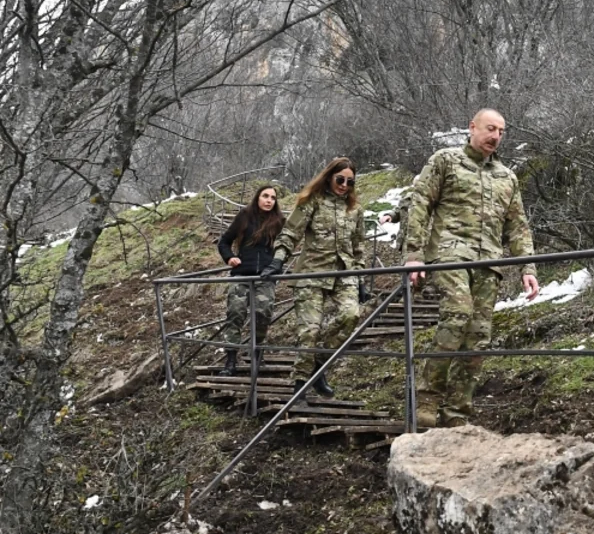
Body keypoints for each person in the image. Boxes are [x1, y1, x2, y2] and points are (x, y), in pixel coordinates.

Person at [381, 108, 540, 428]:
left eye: (501, 132)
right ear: (472, 128)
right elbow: (420, 204)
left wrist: (528, 267)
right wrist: (413, 256)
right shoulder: (445, 161)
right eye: (490, 129)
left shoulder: (506, 177)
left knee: (478, 337)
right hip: (449, 254)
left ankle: (458, 410)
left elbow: (518, 225)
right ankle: (426, 398)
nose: (495, 136)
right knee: (458, 312)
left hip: (489, 262)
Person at [261, 157, 366, 399]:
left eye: (350, 181)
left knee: (351, 315)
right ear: (329, 177)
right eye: (340, 179)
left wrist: (360, 277)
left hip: (344, 273)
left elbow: (358, 245)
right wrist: (278, 260)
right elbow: (290, 233)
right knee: (309, 330)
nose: (344, 185)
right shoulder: (312, 202)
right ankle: (300, 382)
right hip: (312, 272)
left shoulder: (355, 209)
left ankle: (318, 364)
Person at [215, 185, 284, 376]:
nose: (269, 200)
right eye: (265, 196)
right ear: (258, 197)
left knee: (263, 314)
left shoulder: (278, 221)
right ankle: (230, 362)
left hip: (266, 276)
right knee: (235, 313)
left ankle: (256, 355)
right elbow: (224, 241)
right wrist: (229, 257)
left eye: (272, 197)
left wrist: (276, 265)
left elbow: (285, 245)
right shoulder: (244, 216)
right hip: (242, 274)